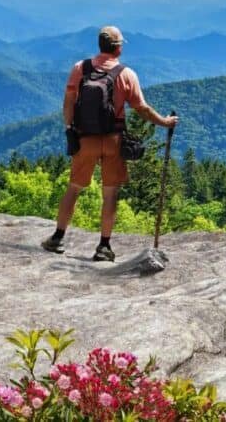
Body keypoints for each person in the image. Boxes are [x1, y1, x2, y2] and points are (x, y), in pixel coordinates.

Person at [41, 25, 178, 261]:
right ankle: (103, 246)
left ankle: (57, 237)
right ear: (118, 48)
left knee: (73, 188)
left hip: (85, 139)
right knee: (110, 194)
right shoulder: (126, 74)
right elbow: (142, 109)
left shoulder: (80, 69)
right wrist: (164, 122)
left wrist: (70, 130)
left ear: (99, 45)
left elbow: (68, 103)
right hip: (114, 141)